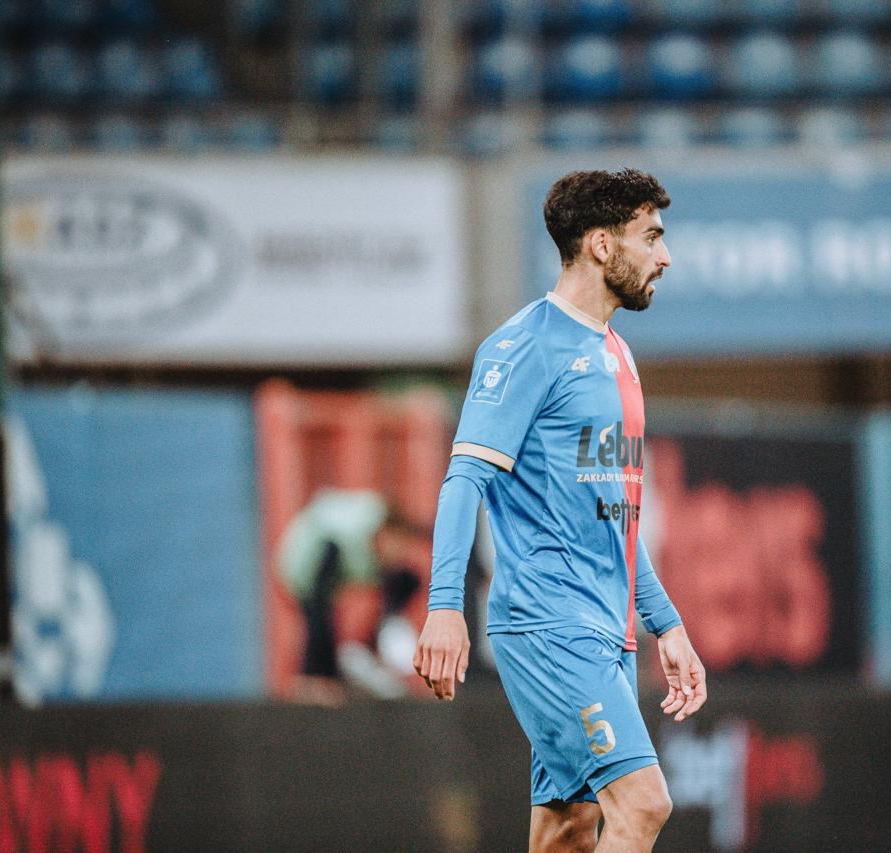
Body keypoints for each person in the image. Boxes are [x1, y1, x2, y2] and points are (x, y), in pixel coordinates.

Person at [414, 168, 707, 853]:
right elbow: (464, 478)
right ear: (602, 245)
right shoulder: (523, 346)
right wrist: (445, 605)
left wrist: (666, 623)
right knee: (642, 804)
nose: (665, 256)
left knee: (567, 828)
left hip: (606, 632)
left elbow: (614, 513)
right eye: (651, 237)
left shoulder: (617, 354)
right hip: (550, 623)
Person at [278, 488, 431, 701]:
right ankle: (315, 677)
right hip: (306, 567)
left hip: (328, 560)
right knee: (320, 617)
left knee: (407, 580)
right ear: (385, 532)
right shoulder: (344, 538)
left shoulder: (374, 545)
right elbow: (318, 614)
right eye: (397, 544)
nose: (397, 553)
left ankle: (372, 646)